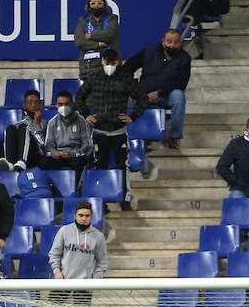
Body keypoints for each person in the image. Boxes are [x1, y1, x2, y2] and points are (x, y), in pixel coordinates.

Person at [29, 201, 107, 307]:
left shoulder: (98, 237)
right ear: (75, 216)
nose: (84, 218)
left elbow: (102, 263)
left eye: (87, 216)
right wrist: (57, 272)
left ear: (91, 216)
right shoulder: (64, 231)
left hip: (84, 284)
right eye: (81, 215)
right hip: (63, 280)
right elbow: (54, 254)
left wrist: (95, 280)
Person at [76, 48, 146, 210]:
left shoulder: (125, 79)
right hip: (99, 131)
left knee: (123, 166)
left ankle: (125, 200)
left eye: (112, 63)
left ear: (118, 62)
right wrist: (86, 114)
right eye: (107, 63)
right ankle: (100, 202)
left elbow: (142, 98)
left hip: (119, 131)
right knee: (99, 165)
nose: (109, 66)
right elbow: (79, 96)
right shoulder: (94, 78)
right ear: (102, 61)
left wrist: (133, 116)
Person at [122, 29, 191, 149]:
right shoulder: (149, 51)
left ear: (180, 44)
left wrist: (159, 93)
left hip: (165, 96)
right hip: (142, 96)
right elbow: (127, 68)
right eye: (169, 42)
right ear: (163, 42)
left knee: (179, 96)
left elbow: (181, 83)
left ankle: (174, 136)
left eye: (176, 42)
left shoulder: (185, 58)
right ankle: (129, 136)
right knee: (122, 99)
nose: (172, 45)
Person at [41, 90, 95, 177]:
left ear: (72, 104)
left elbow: (88, 145)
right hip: (58, 156)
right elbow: (48, 144)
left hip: (76, 156)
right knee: (44, 163)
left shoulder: (82, 121)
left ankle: (76, 189)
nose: (64, 107)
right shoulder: (52, 122)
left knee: (78, 164)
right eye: (60, 104)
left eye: (66, 104)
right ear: (56, 105)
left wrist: (73, 154)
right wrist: (54, 152)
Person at [72, 0, 118, 78]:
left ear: (104, 5)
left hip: (108, 66)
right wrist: (98, 44)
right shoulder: (83, 21)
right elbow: (79, 42)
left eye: (99, 3)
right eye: (93, 3)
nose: (96, 6)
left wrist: (91, 35)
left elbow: (110, 35)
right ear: (88, 6)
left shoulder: (112, 18)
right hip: (88, 68)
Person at [0, 89, 46, 172]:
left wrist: (37, 125)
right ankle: (9, 163)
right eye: (30, 102)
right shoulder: (18, 124)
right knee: (11, 128)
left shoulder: (45, 124)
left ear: (40, 105)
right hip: (18, 155)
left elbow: (42, 145)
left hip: (36, 155)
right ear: (24, 105)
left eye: (36, 102)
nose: (33, 105)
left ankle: (22, 161)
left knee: (23, 128)